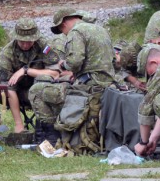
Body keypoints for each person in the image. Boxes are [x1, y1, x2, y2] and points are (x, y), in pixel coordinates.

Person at [30, 8, 116, 147]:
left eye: (61, 30)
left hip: (88, 89)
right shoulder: (100, 30)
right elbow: (114, 61)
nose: (63, 33)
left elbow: (75, 62)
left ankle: (53, 137)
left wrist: (64, 64)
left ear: (63, 23)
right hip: (107, 86)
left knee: (37, 90)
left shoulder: (76, 32)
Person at [0, 18, 60, 133]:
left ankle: (46, 125)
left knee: (45, 79)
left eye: (30, 41)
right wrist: (18, 124)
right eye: (22, 41)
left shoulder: (43, 46)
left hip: (41, 91)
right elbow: (9, 88)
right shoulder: (7, 54)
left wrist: (26, 70)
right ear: (16, 38)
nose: (26, 45)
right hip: (18, 93)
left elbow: (55, 74)